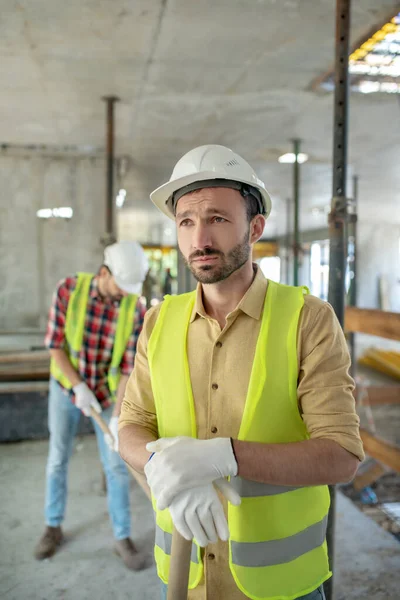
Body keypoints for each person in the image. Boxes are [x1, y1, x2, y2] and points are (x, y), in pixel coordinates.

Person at [118, 145, 365, 599]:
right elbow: (130, 425)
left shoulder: (307, 319)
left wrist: (224, 456)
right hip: (185, 576)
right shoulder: (159, 321)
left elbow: (342, 455)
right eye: (186, 222)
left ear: (255, 227)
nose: (199, 240)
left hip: (282, 584)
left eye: (217, 218)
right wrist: (161, 467)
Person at [34, 240, 149, 571]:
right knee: (58, 458)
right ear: (103, 272)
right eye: (121, 286)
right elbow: (55, 346)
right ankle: (52, 526)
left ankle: (121, 536)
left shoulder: (134, 307)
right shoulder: (69, 290)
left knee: (115, 466)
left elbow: (128, 367)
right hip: (66, 389)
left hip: (107, 395)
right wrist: (78, 385)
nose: (126, 294)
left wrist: (117, 416)